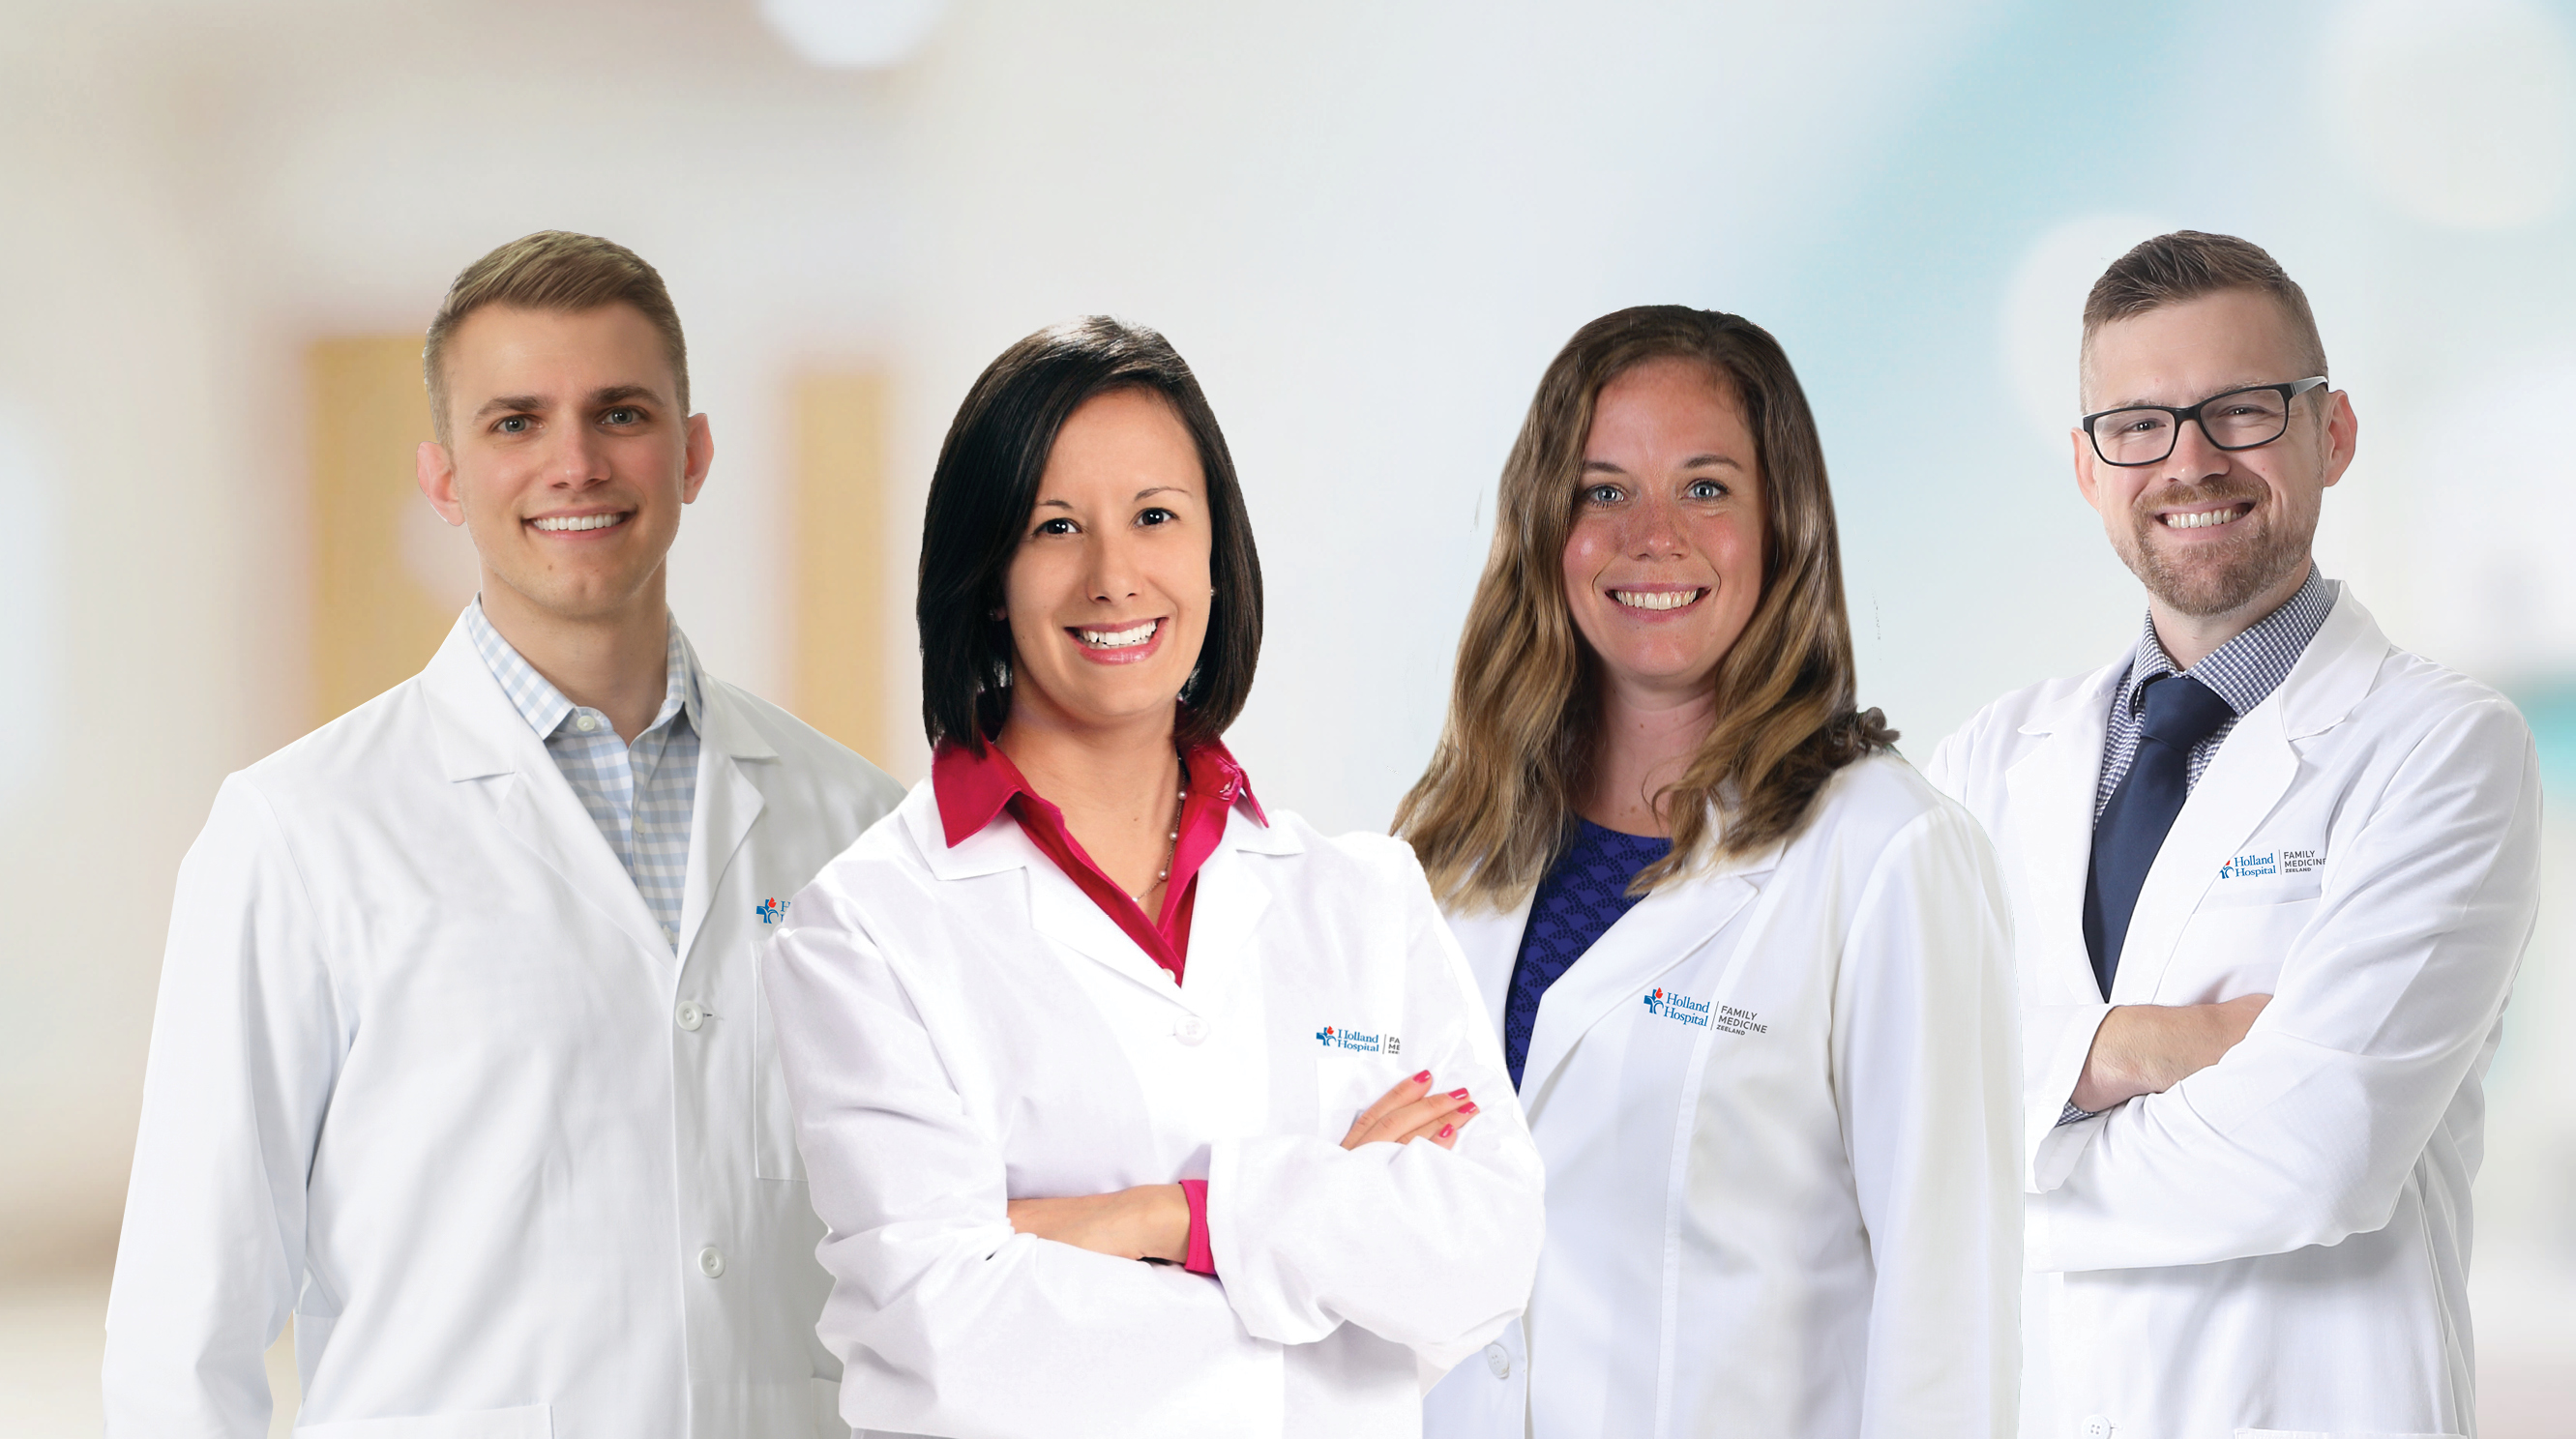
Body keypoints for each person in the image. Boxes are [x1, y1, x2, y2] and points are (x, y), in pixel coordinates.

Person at [104, 231, 904, 1437]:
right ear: (444, 480)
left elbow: (909, 1248)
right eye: (516, 422)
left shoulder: (855, 823)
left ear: (692, 454)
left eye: (620, 413)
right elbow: (183, 1330)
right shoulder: (298, 833)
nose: (574, 464)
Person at [758, 316, 1546, 1438]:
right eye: (1055, 527)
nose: (1113, 576)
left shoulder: (1362, 899)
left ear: (1215, 556)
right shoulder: (864, 930)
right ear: (989, 575)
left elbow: (1485, 1257)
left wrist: (1161, 1219)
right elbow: (947, 1347)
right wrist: (1333, 1257)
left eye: (1155, 517)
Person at [1928, 230, 2542, 1439]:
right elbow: (1864, 1108)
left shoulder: (2441, 749)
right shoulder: (1987, 761)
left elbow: (2317, 1154)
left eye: (2241, 411)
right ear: (2086, 467)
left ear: (2332, 433)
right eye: (2137, 424)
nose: (2189, 461)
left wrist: (1983, 1174)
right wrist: (2143, 1048)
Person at [1407, 305, 2021, 1438]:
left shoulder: (1884, 853)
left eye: (1703, 488)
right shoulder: (1456, 846)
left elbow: (1947, 1319)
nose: (1651, 535)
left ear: (1781, 526)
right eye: (1602, 490)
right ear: (1545, 527)